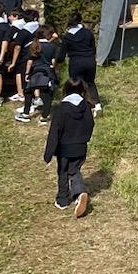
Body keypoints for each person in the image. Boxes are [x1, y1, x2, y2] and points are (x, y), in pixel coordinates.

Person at [44, 78, 96, 217]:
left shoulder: (61, 108)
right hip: (81, 146)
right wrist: (85, 139)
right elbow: (90, 125)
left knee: (63, 172)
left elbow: (55, 132)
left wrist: (48, 154)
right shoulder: (86, 106)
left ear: (65, 90)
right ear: (82, 90)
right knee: (75, 170)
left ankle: (63, 200)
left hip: (64, 148)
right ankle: (79, 194)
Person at [60, 11, 100, 111]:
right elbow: (93, 49)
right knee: (90, 83)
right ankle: (97, 105)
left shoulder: (67, 37)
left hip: (76, 62)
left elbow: (61, 55)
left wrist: (58, 62)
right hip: (90, 60)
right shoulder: (88, 33)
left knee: (76, 84)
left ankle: (78, 105)